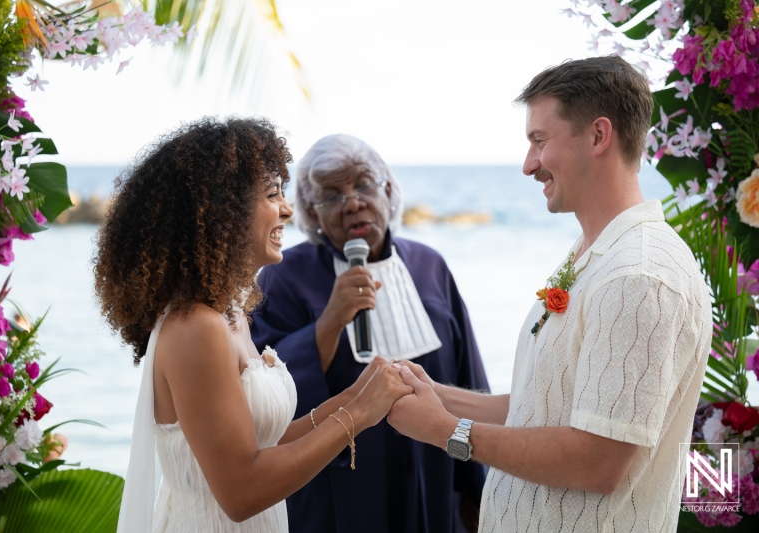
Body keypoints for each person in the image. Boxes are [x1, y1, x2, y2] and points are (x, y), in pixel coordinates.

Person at [387, 55, 713, 532]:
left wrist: (445, 432)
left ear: (599, 136)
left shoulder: (638, 276)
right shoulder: (592, 253)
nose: (528, 165)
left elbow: (598, 460)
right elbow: (544, 407)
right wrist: (434, 395)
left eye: (540, 141)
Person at [93, 117, 412, 532]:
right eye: (272, 193)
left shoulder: (229, 315)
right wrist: (357, 415)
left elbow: (262, 442)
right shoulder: (196, 327)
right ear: (222, 208)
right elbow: (241, 492)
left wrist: (356, 394)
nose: (287, 209)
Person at [250, 134, 489, 533]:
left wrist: (479, 493)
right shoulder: (284, 276)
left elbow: (469, 380)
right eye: (331, 196)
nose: (353, 203)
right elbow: (268, 399)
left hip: (435, 479)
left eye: (363, 185)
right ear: (310, 209)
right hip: (339, 493)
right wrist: (328, 322)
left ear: (389, 190)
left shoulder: (430, 266)